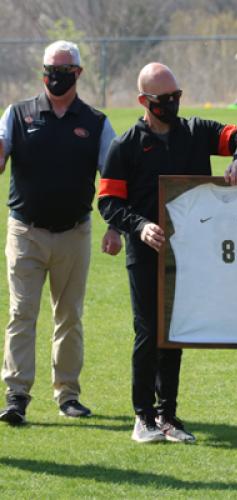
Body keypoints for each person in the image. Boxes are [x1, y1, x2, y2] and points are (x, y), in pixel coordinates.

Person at [98, 62, 237, 443]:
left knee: (175, 331)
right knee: (148, 331)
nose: (172, 104)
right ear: (144, 101)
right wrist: (139, 226)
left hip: (191, 251)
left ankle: (167, 414)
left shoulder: (195, 132)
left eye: (176, 97)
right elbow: (108, 202)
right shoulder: (126, 146)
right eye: (163, 99)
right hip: (147, 250)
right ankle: (142, 416)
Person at [0, 40, 121, 425]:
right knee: (22, 313)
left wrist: (115, 227)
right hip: (26, 230)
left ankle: (67, 394)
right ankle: (16, 394)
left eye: (64, 69)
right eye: (51, 68)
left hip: (74, 232)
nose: (56, 75)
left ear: (79, 73)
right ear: (42, 71)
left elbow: (114, 176)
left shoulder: (96, 122)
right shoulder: (17, 114)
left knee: (69, 315)